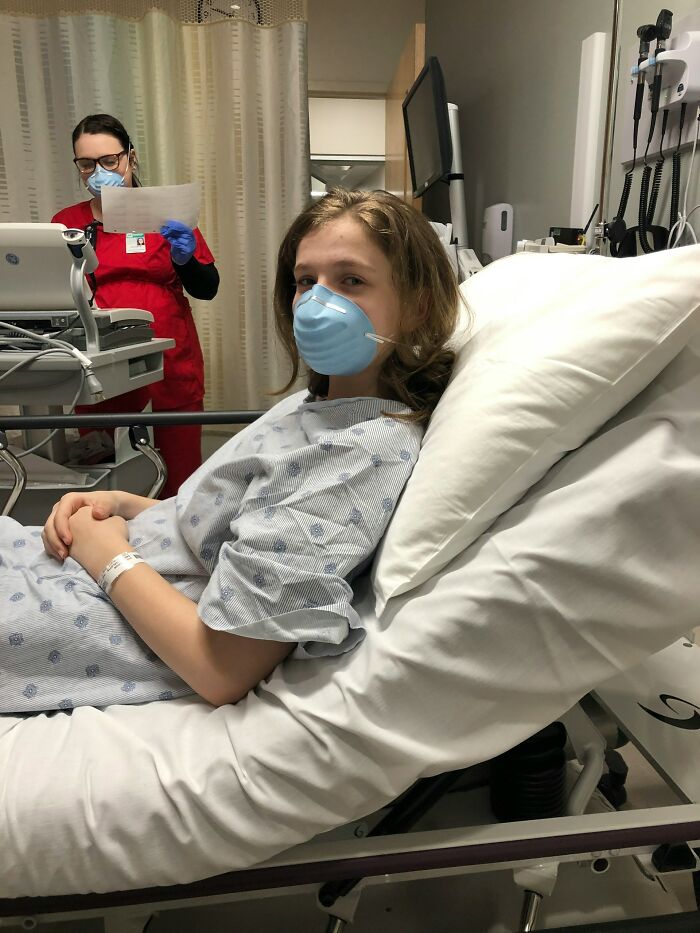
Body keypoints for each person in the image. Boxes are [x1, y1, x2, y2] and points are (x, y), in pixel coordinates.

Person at [1, 188, 460, 715]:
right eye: (306, 281)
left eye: (350, 280)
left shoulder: (362, 448)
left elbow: (222, 668)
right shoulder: (314, 406)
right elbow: (235, 528)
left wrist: (102, 552)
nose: (315, 302)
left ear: (419, 302)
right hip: (87, 559)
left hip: (86, 604)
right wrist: (126, 505)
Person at [52, 113, 220, 498]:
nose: (99, 172)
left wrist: (186, 259)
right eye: (87, 164)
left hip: (170, 355)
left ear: (131, 156)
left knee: (178, 475)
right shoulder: (68, 223)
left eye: (109, 160)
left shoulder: (167, 212)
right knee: (99, 476)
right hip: (100, 357)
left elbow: (207, 287)